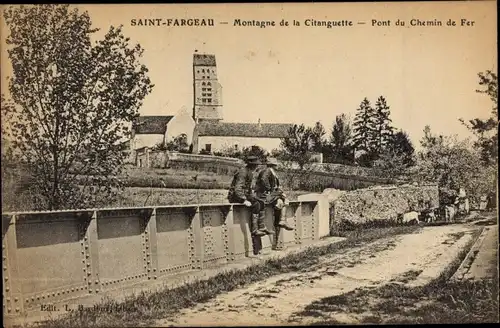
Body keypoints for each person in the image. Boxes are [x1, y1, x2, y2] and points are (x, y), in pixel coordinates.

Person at [227, 156, 274, 236]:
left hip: (244, 194)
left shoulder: (249, 172)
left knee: (261, 202)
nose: (257, 167)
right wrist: (244, 200)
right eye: (256, 165)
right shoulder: (243, 172)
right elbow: (238, 188)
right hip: (235, 196)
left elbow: (248, 188)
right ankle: (254, 230)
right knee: (256, 204)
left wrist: (252, 196)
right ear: (252, 165)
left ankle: (262, 227)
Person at [255, 157, 294, 231]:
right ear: (273, 165)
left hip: (267, 194)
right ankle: (281, 221)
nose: (277, 166)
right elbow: (263, 180)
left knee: (282, 200)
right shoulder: (267, 171)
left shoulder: (270, 171)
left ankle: (281, 221)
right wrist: (270, 189)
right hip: (264, 195)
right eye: (276, 164)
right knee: (283, 200)